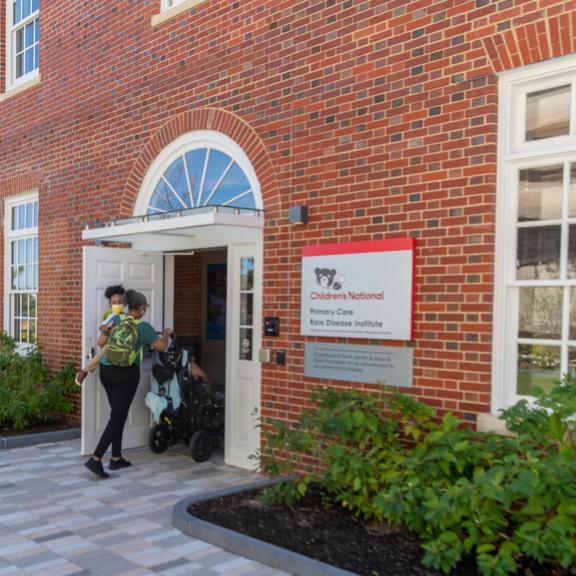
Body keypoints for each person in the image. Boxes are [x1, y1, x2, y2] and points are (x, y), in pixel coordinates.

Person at [84, 289, 172, 479]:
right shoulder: (145, 327)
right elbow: (161, 347)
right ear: (140, 308)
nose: (144, 311)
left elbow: (101, 342)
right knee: (117, 417)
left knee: (118, 415)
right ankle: (96, 458)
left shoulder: (116, 320)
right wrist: (166, 334)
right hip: (126, 375)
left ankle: (116, 458)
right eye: (144, 308)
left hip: (106, 371)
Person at [75, 285, 126, 386]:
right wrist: (108, 329)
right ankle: (85, 370)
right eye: (114, 303)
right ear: (110, 305)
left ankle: (85, 370)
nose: (117, 305)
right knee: (107, 348)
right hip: (114, 348)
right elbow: (101, 328)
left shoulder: (127, 317)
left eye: (120, 302)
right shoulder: (111, 317)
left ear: (124, 303)